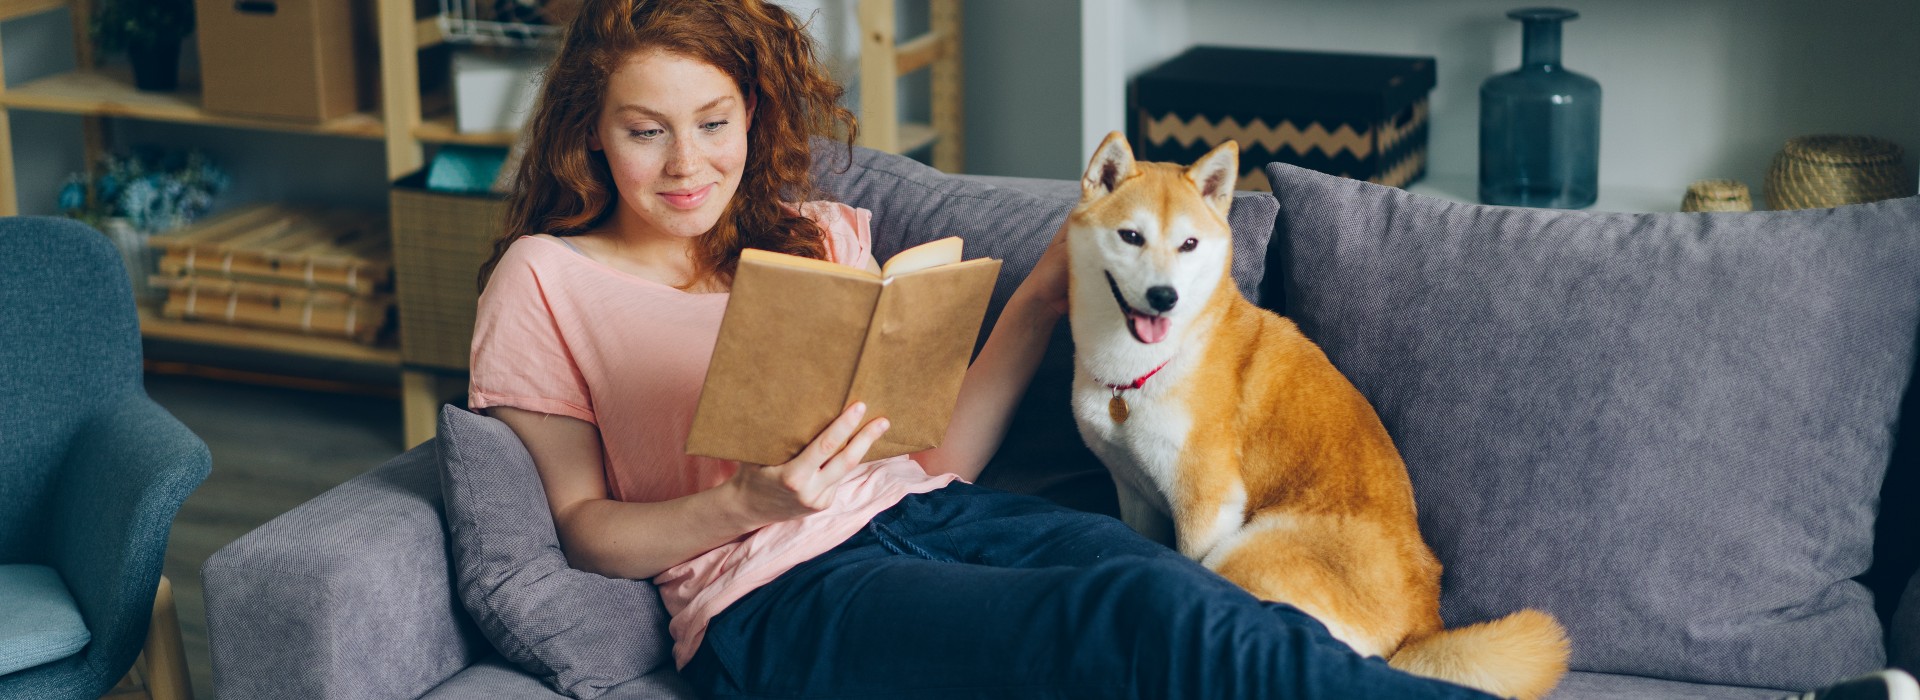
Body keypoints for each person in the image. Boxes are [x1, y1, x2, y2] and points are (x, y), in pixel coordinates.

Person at [463, 1, 1912, 698]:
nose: (684, 161)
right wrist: (746, 504)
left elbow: (938, 458)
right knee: (1144, 629)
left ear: (753, 120)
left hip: (927, 516)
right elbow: (586, 532)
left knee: (1180, 598)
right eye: (646, 126)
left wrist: (1035, 302)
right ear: (591, 125)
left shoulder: (818, 231)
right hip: (768, 602)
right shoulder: (544, 278)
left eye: (712, 123)